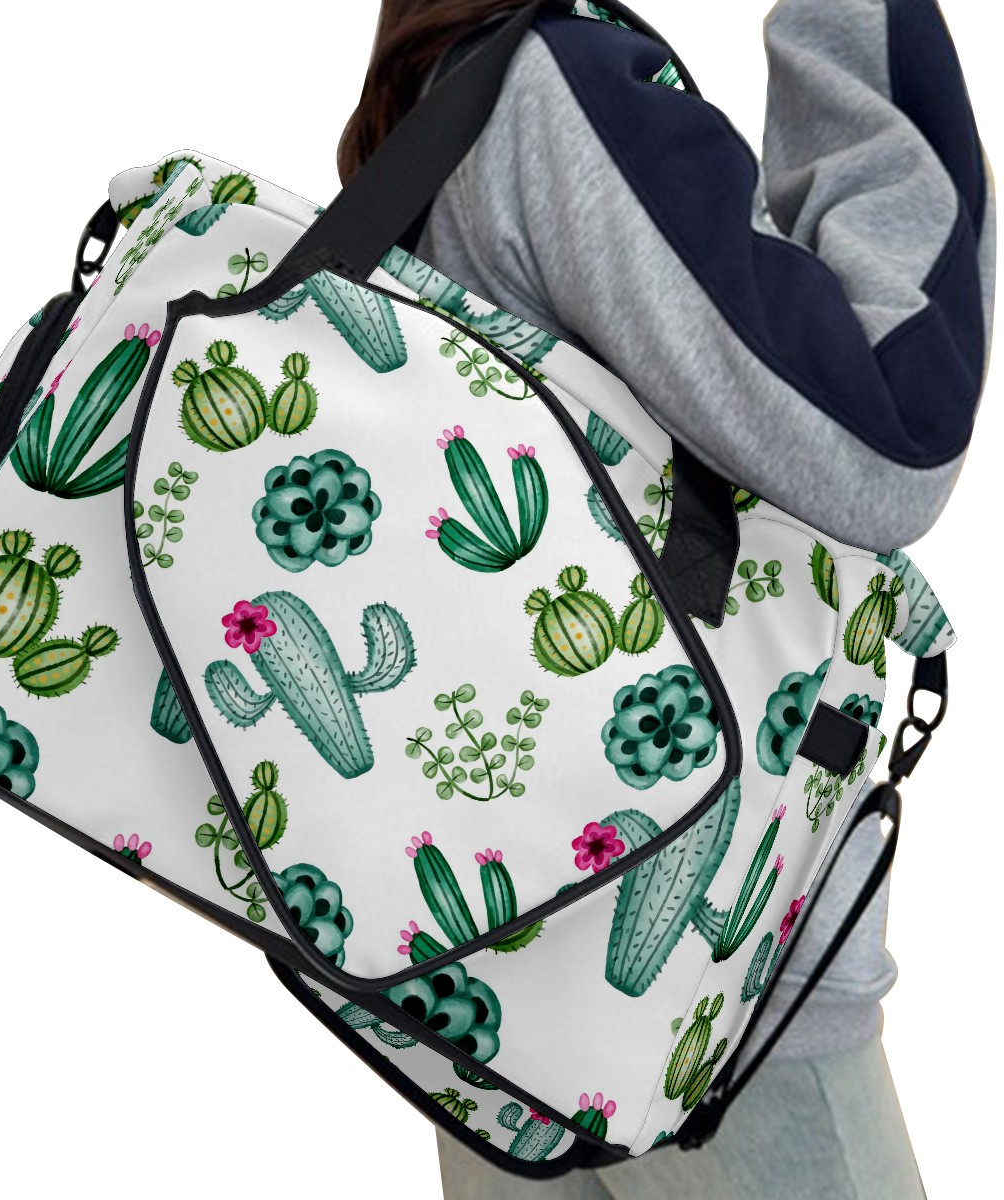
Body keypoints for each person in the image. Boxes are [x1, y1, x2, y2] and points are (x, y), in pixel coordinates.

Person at [337, 2, 994, 1197]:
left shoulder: (432, 119)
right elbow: (889, 434)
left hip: (480, 984)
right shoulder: (561, 88)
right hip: (711, 1001)